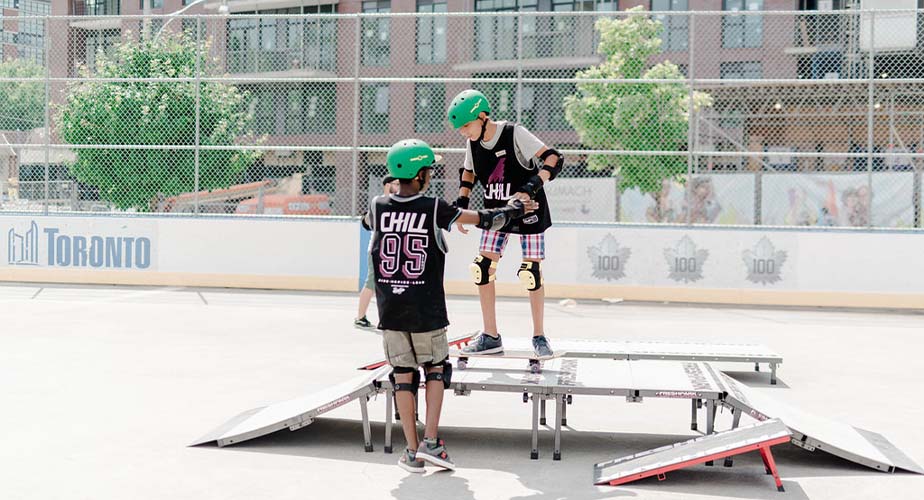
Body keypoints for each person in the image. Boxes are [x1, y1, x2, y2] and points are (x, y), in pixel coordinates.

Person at [363, 139, 535, 473]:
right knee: (436, 370)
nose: (430, 175)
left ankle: (411, 452)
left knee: (402, 376)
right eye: (428, 170)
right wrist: (514, 210)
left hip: (390, 310)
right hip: (426, 310)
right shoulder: (433, 208)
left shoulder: (377, 206)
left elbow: (367, 221)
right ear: (420, 174)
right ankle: (431, 443)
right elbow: (485, 219)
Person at [445, 89, 563, 358]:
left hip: (529, 208)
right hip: (497, 212)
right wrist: (461, 204)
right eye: (460, 129)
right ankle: (490, 336)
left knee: (531, 272)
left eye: (466, 126)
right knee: (482, 268)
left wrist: (531, 187)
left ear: (482, 117)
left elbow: (554, 158)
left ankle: (539, 336)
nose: (463, 132)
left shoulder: (513, 133)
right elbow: (468, 172)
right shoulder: (473, 143)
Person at [354, 175, 400, 329]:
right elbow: (368, 222)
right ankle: (360, 317)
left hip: (391, 250)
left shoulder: (398, 202)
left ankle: (389, 317)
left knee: (392, 284)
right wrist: (386, 195)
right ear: (387, 185)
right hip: (377, 249)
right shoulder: (379, 202)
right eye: (396, 184)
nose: (399, 186)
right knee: (371, 282)